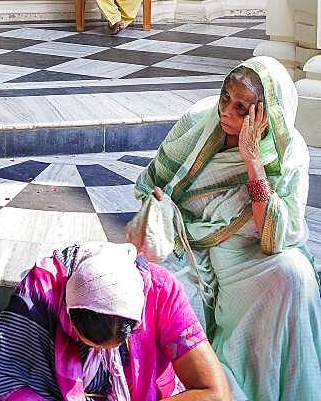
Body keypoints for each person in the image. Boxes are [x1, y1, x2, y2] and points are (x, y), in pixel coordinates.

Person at [134, 55, 321, 401]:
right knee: (159, 286)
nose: (227, 112)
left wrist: (253, 161)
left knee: (295, 275)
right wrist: (160, 201)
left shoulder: (289, 153)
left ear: (269, 115)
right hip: (190, 239)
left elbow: (274, 237)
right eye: (225, 99)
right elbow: (150, 183)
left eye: (241, 108)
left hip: (250, 251)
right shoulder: (197, 121)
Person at [0, 241, 230, 401]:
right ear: (68, 313)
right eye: (89, 344)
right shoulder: (42, 293)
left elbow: (214, 393)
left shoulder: (160, 292)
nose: (103, 356)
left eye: (114, 346)